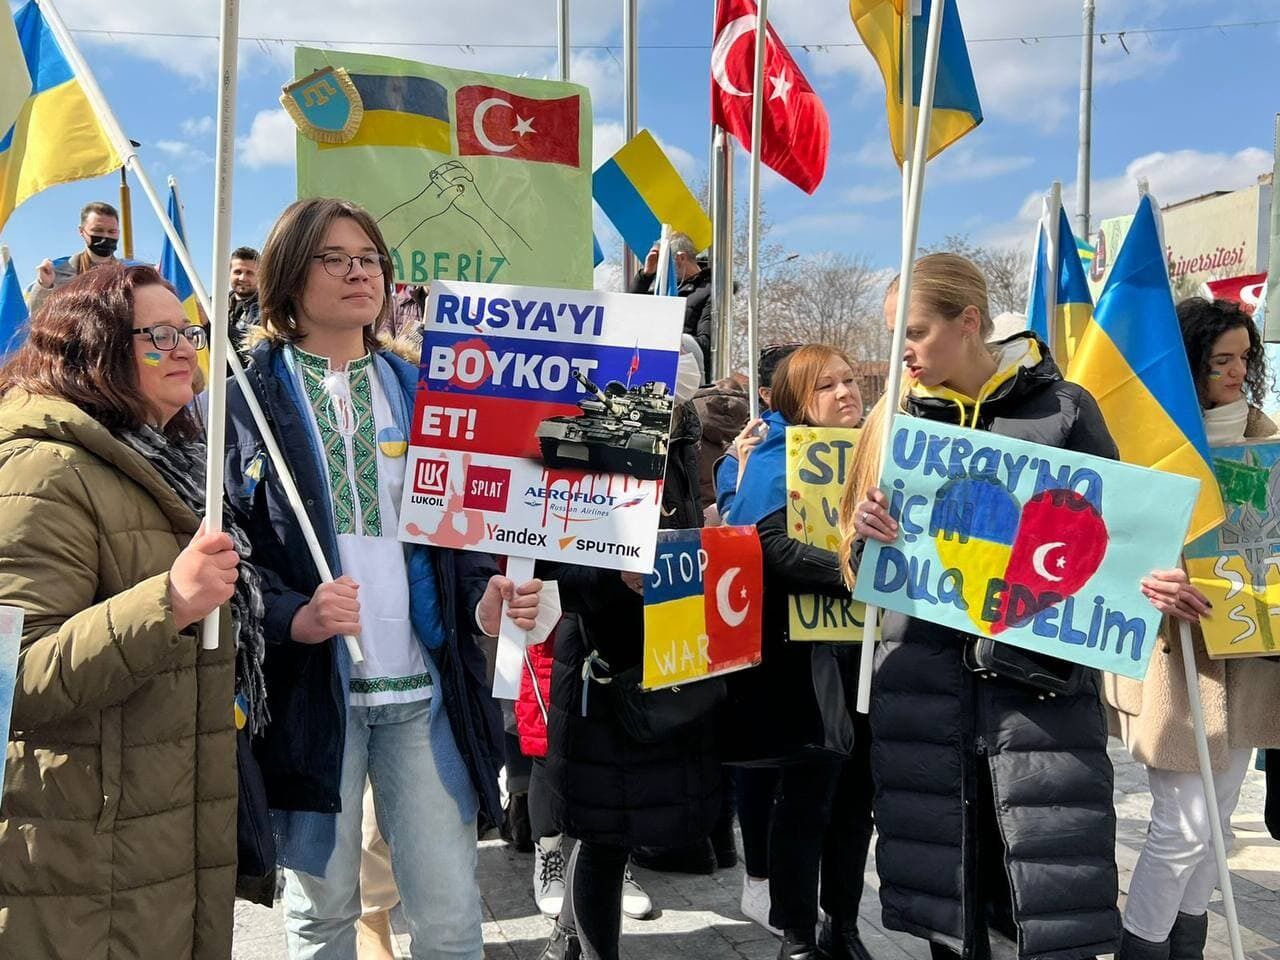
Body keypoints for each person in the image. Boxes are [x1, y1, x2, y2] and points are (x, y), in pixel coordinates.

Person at [838, 252, 1204, 960]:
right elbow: (858, 572)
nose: (901, 354)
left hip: (1039, 702)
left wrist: (1155, 588)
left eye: (912, 333)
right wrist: (863, 541)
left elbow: (1114, 545)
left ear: (969, 322)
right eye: (891, 337)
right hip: (924, 701)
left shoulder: (1064, 409)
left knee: (1050, 911)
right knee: (950, 916)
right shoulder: (894, 420)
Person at [223, 197, 544, 960]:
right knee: (321, 914)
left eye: (370, 257)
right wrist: (293, 615)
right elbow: (229, 550)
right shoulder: (244, 397)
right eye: (337, 257)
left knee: (451, 912)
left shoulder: (427, 389)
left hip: (422, 689)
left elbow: (460, 539)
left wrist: (483, 607)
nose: (360, 271)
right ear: (291, 274)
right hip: (315, 694)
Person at [0, 263, 242, 958]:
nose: (182, 349)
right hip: (82, 852)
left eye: (188, 331)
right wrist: (167, 600)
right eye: (155, 334)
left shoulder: (176, 460)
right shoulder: (41, 470)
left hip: (160, 832)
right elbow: (16, 675)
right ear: (90, 346)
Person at [1104, 296, 1280, 960]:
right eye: (1220, 362)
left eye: (1244, 359)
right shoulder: (1151, 444)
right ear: (1189, 366)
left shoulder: (1270, 438)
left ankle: (1188, 943)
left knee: (1215, 824)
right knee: (1181, 827)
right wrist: (1151, 577)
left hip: (1253, 652)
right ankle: (1141, 948)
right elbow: (1108, 548)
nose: (1237, 374)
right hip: (1179, 660)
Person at [537, 397, 719, 960]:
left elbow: (687, 526)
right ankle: (587, 948)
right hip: (601, 663)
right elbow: (544, 553)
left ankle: (572, 937)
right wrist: (612, 574)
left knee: (631, 815)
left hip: (667, 651)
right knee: (602, 831)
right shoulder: (580, 431)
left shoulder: (684, 434)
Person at [724, 344, 873, 960]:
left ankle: (845, 924)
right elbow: (769, 546)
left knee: (857, 798)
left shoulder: (876, 452)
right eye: (826, 386)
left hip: (863, 650)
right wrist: (854, 570)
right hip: (802, 657)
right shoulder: (771, 457)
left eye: (849, 379)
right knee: (809, 795)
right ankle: (797, 933)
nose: (846, 393)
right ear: (792, 403)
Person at [629, 232, 713, 373]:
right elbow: (630, 309)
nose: (660, 270)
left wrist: (666, 339)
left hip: (689, 375)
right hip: (657, 368)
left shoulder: (709, 291)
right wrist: (646, 274)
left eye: (663, 263)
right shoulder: (664, 291)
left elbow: (706, 344)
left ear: (681, 258)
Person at [26, 201, 124, 313]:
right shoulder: (57, 276)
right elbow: (36, 317)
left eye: (112, 232)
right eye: (98, 230)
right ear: (82, 231)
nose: (105, 236)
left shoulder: (130, 274)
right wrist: (44, 286)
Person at [228, 245, 261, 357]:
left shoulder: (268, 311)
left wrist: (213, 323)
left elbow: (249, 350)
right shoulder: (212, 305)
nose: (242, 278)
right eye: (237, 272)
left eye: (249, 273)